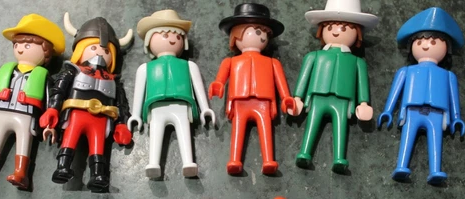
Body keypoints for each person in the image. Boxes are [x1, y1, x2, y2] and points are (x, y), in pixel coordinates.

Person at [40, 14, 133, 192]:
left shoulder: (113, 80)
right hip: (75, 115)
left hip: (101, 119)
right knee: (69, 139)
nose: (99, 53)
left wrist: (122, 124)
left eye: (106, 51)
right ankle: (62, 167)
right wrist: (53, 109)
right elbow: (58, 89)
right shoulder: (72, 71)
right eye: (93, 47)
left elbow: (122, 105)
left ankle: (98, 175)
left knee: (98, 147)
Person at [0, 14, 65, 189]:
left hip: (26, 115)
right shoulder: (5, 70)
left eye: (27, 45)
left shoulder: (43, 76)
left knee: (24, 142)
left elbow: (50, 99)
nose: (20, 49)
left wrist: (49, 124)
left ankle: (21, 174)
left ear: (45, 52)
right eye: (17, 45)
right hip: (1, 111)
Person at [378, 7, 465, 184]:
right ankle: (401, 166)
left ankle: (435, 171)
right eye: (419, 42)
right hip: (412, 110)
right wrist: (388, 110)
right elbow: (396, 91)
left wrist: (456, 117)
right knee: (407, 137)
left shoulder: (448, 76)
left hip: (437, 113)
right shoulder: (406, 71)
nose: (426, 45)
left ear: (446, 48)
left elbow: (453, 97)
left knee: (436, 140)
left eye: (434, 42)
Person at [209, 3, 298, 175]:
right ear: (236, 36)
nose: (261, 36)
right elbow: (221, 78)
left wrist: (286, 97)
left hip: (263, 101)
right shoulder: (230, 61)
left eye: (264, 33)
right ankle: (234, 160)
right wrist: (218, 84)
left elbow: (280, 82)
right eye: (257, 32)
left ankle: (268, 160)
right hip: (239, 101)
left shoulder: (273, 62)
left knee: (266, 129)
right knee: (238, 129)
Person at [293, 0, 378, 173]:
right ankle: (305, 152)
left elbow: (362, 83)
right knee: (312, 124)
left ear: (357, 34)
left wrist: (363, 103)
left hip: (343, 100)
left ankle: (339, 157)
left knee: (341, 127)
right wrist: (297, 98)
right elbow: (304, 77)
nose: (336, 31)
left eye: (345, 28)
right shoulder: (313, 56)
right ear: (322, 31)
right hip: (317, 97)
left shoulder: (357, 62)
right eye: (330, 27)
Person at [129, 10, 215, 179]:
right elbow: (139, 91)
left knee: (184, 131)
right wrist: (135, 114)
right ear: (149, 41)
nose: (172, 39)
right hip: (155, 106)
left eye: (177, 36)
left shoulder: (189, 65)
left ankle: (188, 163)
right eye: (165, 35)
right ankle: (153, 164)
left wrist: (205, 108)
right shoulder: (145, 68)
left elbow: (198, 87)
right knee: (156, 133)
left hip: (182, 104)